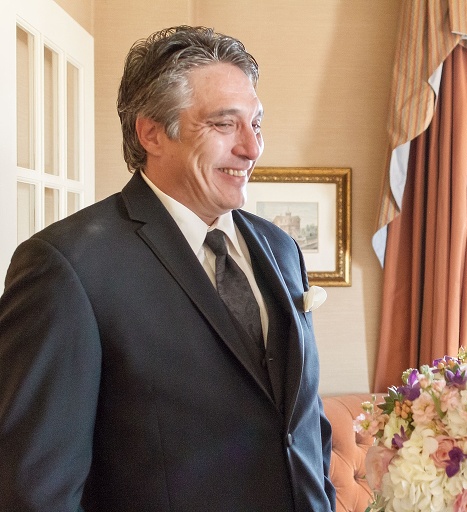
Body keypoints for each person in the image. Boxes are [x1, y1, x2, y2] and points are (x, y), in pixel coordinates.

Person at [0, 26, 335, 511]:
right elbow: (35, 491)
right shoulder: (65, 268)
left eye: (256, 124)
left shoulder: (281, 247)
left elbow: (303, 425)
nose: (252, 148)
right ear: (151, 133)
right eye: (224, 124)